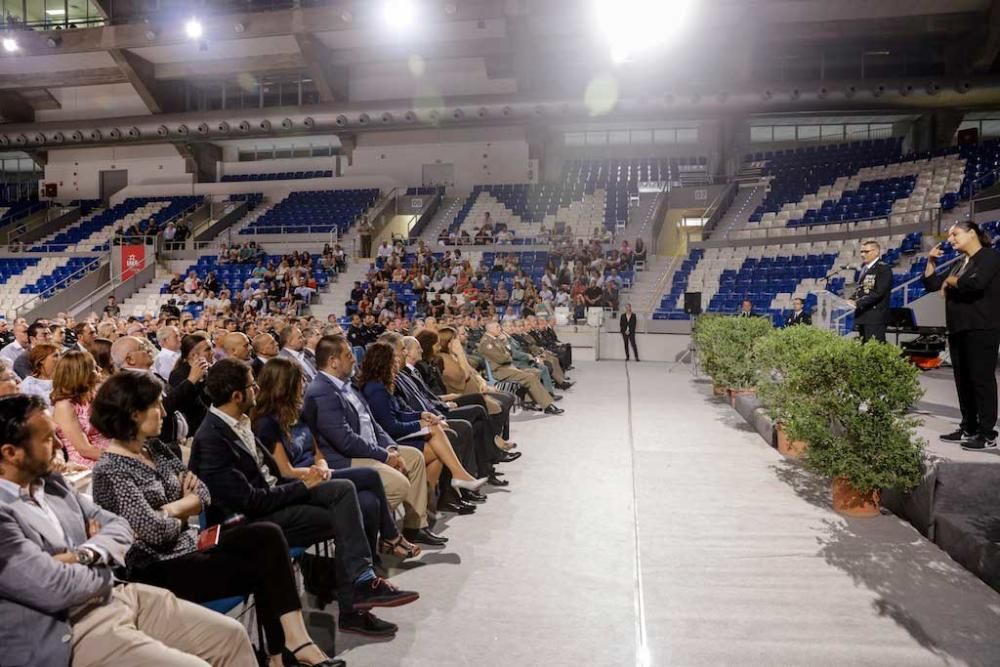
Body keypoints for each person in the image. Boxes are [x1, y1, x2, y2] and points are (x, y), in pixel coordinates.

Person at [89, 372, 345, 667]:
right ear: (134, 414)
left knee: (267, 535)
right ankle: (282, 656)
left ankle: (294, 645)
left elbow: (202, 493)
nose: (164, 412)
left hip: (190, 544)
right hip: (155, 568)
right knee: (266, 566)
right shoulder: (111, 469)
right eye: (157, 406)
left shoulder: (155, 448)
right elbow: (154, 532)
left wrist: (173, 509)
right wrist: (184, 508)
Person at [0, 394, 257, 667]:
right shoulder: (5, 513)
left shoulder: (51, 483)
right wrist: (104, 558)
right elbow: (56, 589)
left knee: (230, 637)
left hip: (118, 594)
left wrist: (84, 554)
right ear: (10, 453)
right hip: (67, 629)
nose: (60, 445)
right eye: (48, 439)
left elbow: (120, 525)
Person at [189, 358, 419, 626]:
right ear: (237, 395)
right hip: (251, 522)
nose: (257, 389)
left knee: (356, 495)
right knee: (354, 511)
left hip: (276, 496)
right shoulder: (212, 439)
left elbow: (272, 473)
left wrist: (309, 476)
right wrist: (303, 485)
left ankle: (361, 586)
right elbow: (249, 501)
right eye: (253, 385)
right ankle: (356, 597)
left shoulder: (237, 420)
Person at [252, 356, 422, 572]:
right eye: (300, 380)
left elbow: (317, 451)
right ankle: (390, 537)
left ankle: (368, 565)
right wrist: (319, 473)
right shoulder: (267, 423)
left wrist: (322, 466)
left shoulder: (298, 413)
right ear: (286, 386)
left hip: (320, 472)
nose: (305, 384)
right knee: (371, 476)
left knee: (369, 502)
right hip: (301, 484)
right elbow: (286, 471)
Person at [301, 334, 445, 546]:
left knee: (413, 457)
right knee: (398, 484)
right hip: (345, 458)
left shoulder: (348, 385)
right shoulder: (322, 391)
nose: (354, 359)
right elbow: (345, 440)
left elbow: (373, 422)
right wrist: (385, 456)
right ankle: (376, 533)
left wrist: (391, 447)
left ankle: (416, 526)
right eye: (348, 355)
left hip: (372, 448)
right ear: (333, 361)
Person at [923, 221, 1000, 451]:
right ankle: (969, 427)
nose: (950, 240)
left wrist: (950, 280)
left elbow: (975, 284)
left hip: (981, 327)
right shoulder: (959, 263)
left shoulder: (989, 257)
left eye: (955, 234)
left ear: (972, 233)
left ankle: (987, 433)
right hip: (958, 328)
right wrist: (931, 261)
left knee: (981, 380)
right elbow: (931, 284)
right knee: (963, 381)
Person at [479, 321, 563, 414]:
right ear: (490, 329)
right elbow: (502, 359)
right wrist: (508, 355)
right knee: (530, 377)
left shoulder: (495, 339)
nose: (500, 329)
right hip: (500, 371)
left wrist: (507, 352)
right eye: (497, 327)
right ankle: (547, 406)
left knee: (535, 372)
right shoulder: (486, 343)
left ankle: (528, 402)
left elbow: (508, 352)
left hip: (508, 367)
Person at [51, 350, 109, 468]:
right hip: (88, 462)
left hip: (109, 451)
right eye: (94, 367)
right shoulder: (65, 406)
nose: (100, 369)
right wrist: (123, 458)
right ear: (81, 374)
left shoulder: (94, 395)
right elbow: (84, 449)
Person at [167, 333, 212, 433]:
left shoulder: (211, 370)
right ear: (194, 355)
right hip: (195, 429)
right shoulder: (179, 375)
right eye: (207, 349)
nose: (212, 352)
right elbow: (181, 404)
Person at [848, 240, 892, 343]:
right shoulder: (866, 269)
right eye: (861, 252)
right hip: (863, 316)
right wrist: (851, 298)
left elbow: (878, 292)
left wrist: (857, 302)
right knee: (865, 350)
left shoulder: (883, 269)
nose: (863, 254)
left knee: (874, 349)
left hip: (874, 318)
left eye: (866, 251)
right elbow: (863, 289)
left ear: (876, 252)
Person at [19, 342, 60, 409]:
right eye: (55, 356)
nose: (60, 358)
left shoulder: (64, 379)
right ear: (41, 360)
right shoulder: (29, 385)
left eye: (60, 355)